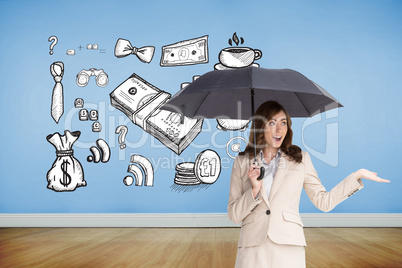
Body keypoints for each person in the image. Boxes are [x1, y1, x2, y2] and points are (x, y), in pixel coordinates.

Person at [227, 100, 390, 268]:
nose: (279, 130)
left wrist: (356, 176)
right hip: (252, 246)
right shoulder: (242, 161)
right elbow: (234, 214)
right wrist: (254, 190)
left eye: (283, 123)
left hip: (288, 245)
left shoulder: (301, 159)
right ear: (260, 127)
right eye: (272, 123)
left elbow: (323, 202)